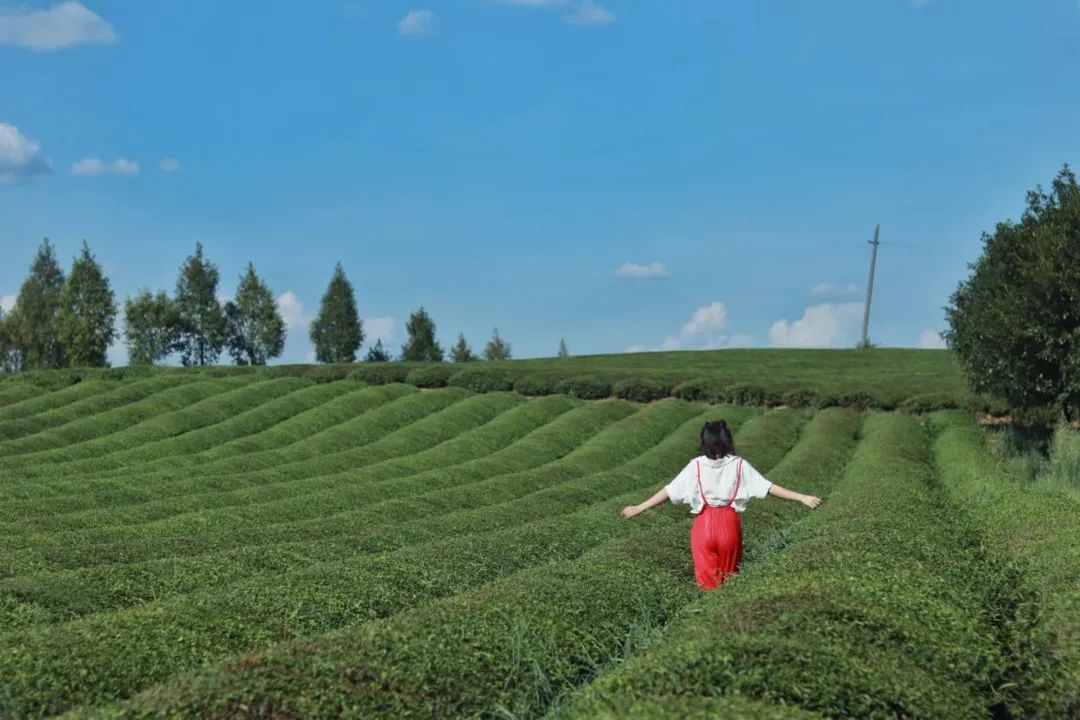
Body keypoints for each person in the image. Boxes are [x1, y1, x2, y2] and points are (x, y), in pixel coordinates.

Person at [620, 419, 822, 590]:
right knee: (728, 581)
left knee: (707, 583)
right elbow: (768, 487)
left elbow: (669, 491)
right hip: (729, 524)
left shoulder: (696, 465)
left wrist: (639, 507)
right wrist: (802, 497)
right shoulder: (739, 464)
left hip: (704, 525)